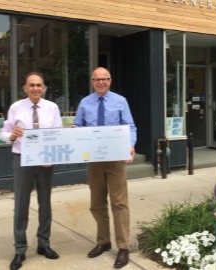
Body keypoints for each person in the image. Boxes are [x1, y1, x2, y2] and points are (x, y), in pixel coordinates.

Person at [73, 67, 137, 269]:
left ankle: (123, 247)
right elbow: (78, 126)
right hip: (93, 159)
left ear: (110, 80)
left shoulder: (120, 101)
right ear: (92, 81)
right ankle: (103, 241)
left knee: (119, 203)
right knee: (97, 202)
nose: (101, 82)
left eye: (105, 79)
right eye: (97, 79)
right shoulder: (85, 103)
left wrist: (131, 144)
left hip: (115, 159)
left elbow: (130, 126)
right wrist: (75, 133)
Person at [0, 72, 62, 270]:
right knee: (21, 205)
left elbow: (57, 134)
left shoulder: (52, 108)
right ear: (25, 88)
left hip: (45, 162)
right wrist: (11, 135)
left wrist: (51, 156)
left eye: (39, 85)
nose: (36, 88)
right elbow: (3, 132)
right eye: (31, 85)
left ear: (43, 88)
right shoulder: (16, 108)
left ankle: (44, 244)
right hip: (22, 159)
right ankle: (20, 249)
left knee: (45, 204)